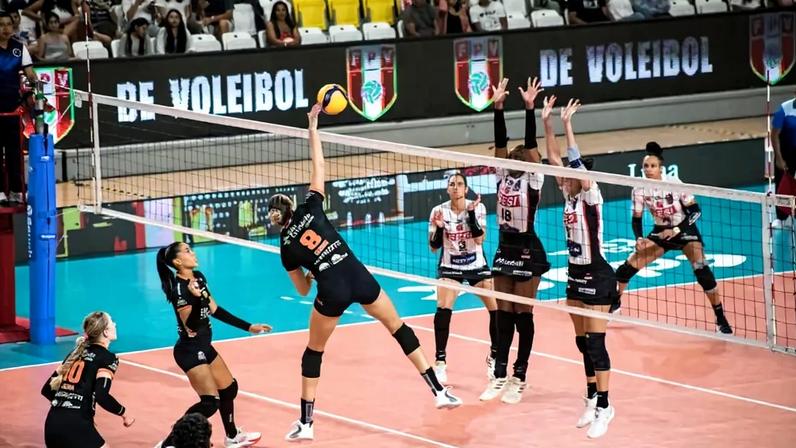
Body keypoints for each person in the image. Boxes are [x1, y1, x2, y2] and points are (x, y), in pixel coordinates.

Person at [268, 104, 462, 442]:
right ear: (291, 205)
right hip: (357, 274)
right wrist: (313, 126)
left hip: (332, 288)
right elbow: (320, 164)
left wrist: (313, 273)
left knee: (314, 352)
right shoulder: (311, 205)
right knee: (398, 327)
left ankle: (306, 423)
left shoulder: (286, 247)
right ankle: (438, 392)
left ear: (275, 219)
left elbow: (300, 291)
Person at [542, 95, 616, 439]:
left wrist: (568, 124)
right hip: (574, 274)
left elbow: (570, 160)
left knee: (597, 343)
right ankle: (590, 396)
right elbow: (555, 158)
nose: (563, 177)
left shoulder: (590, 193)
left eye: (569, 175)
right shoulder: (569, 193)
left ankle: (605, 405)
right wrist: (547, 122)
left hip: (598, 273)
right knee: (582, 341)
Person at [155, 242, 268, 447]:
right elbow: (191, 325)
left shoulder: (198, 277)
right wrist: (197, 299)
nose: (193, 253)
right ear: (178, 262)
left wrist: (248, 327)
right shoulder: (180, 290)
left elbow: (214, 309)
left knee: (229, 389)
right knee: (210, 402)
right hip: (189, 350)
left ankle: (232, 437)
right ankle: (170, 442)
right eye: (188, 251)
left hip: (204, 347)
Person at [613, 142, 733, 334]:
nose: (648, 169)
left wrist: (676, 229)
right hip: (661, 231)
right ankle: (615, 301)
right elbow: (636, 219)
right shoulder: (639, 189)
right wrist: (639, 238)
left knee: (703, 273)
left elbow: (695, 211)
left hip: (685, 230)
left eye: (652, 166)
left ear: (661, 168)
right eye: (646, 166)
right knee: (624, 270)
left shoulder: (674, 184)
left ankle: (720, 318)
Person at [478, 77, 548, 405]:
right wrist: (498, 107)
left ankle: (520, 375)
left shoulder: (534, 178)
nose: (516, 157)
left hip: (527, 246)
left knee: (523, 314)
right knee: (502, 313)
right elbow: (501, 140)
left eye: (522, 156)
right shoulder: (503, 175)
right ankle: (500, 373)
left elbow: (531, 144)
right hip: (504, 245)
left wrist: (530, 108)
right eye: (514, 156)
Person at [428, 172, 496, 383]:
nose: (455, 187)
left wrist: (471, 215)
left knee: (497, 309)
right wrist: (439, 229)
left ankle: (494, 357)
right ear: (447, 189)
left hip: (476, 266)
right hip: (451, 267)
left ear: (466, 189)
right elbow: (433, 247)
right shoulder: (438, 211)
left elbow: (479, 240)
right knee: (443, 307)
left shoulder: (478, 208)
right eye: (452, 184)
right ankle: (440, 362)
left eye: (459, 184)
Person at [41, 311, 135, 447]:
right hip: (76, 426)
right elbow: (102, 396)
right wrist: (124, 413)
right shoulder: (108, 358)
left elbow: (47, 390)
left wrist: (68, 403)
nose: (115, 324)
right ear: (105, 332)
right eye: (111, 322)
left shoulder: (75, 354)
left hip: (52, 424)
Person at [0, 11, 36, 206]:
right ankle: (0, 193)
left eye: (8, 24)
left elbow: (31, 75)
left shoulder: (19, 48)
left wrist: (35, 89)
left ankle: (15, 191)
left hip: (13, 110)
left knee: (14, 153)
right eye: (1, 25)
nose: (5, 28)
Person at [771, 90, 796, 227]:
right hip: (786, 153)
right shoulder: (784, 109)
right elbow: (775, 135)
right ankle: (781, 218)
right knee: (783, 185)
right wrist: (779, 158)